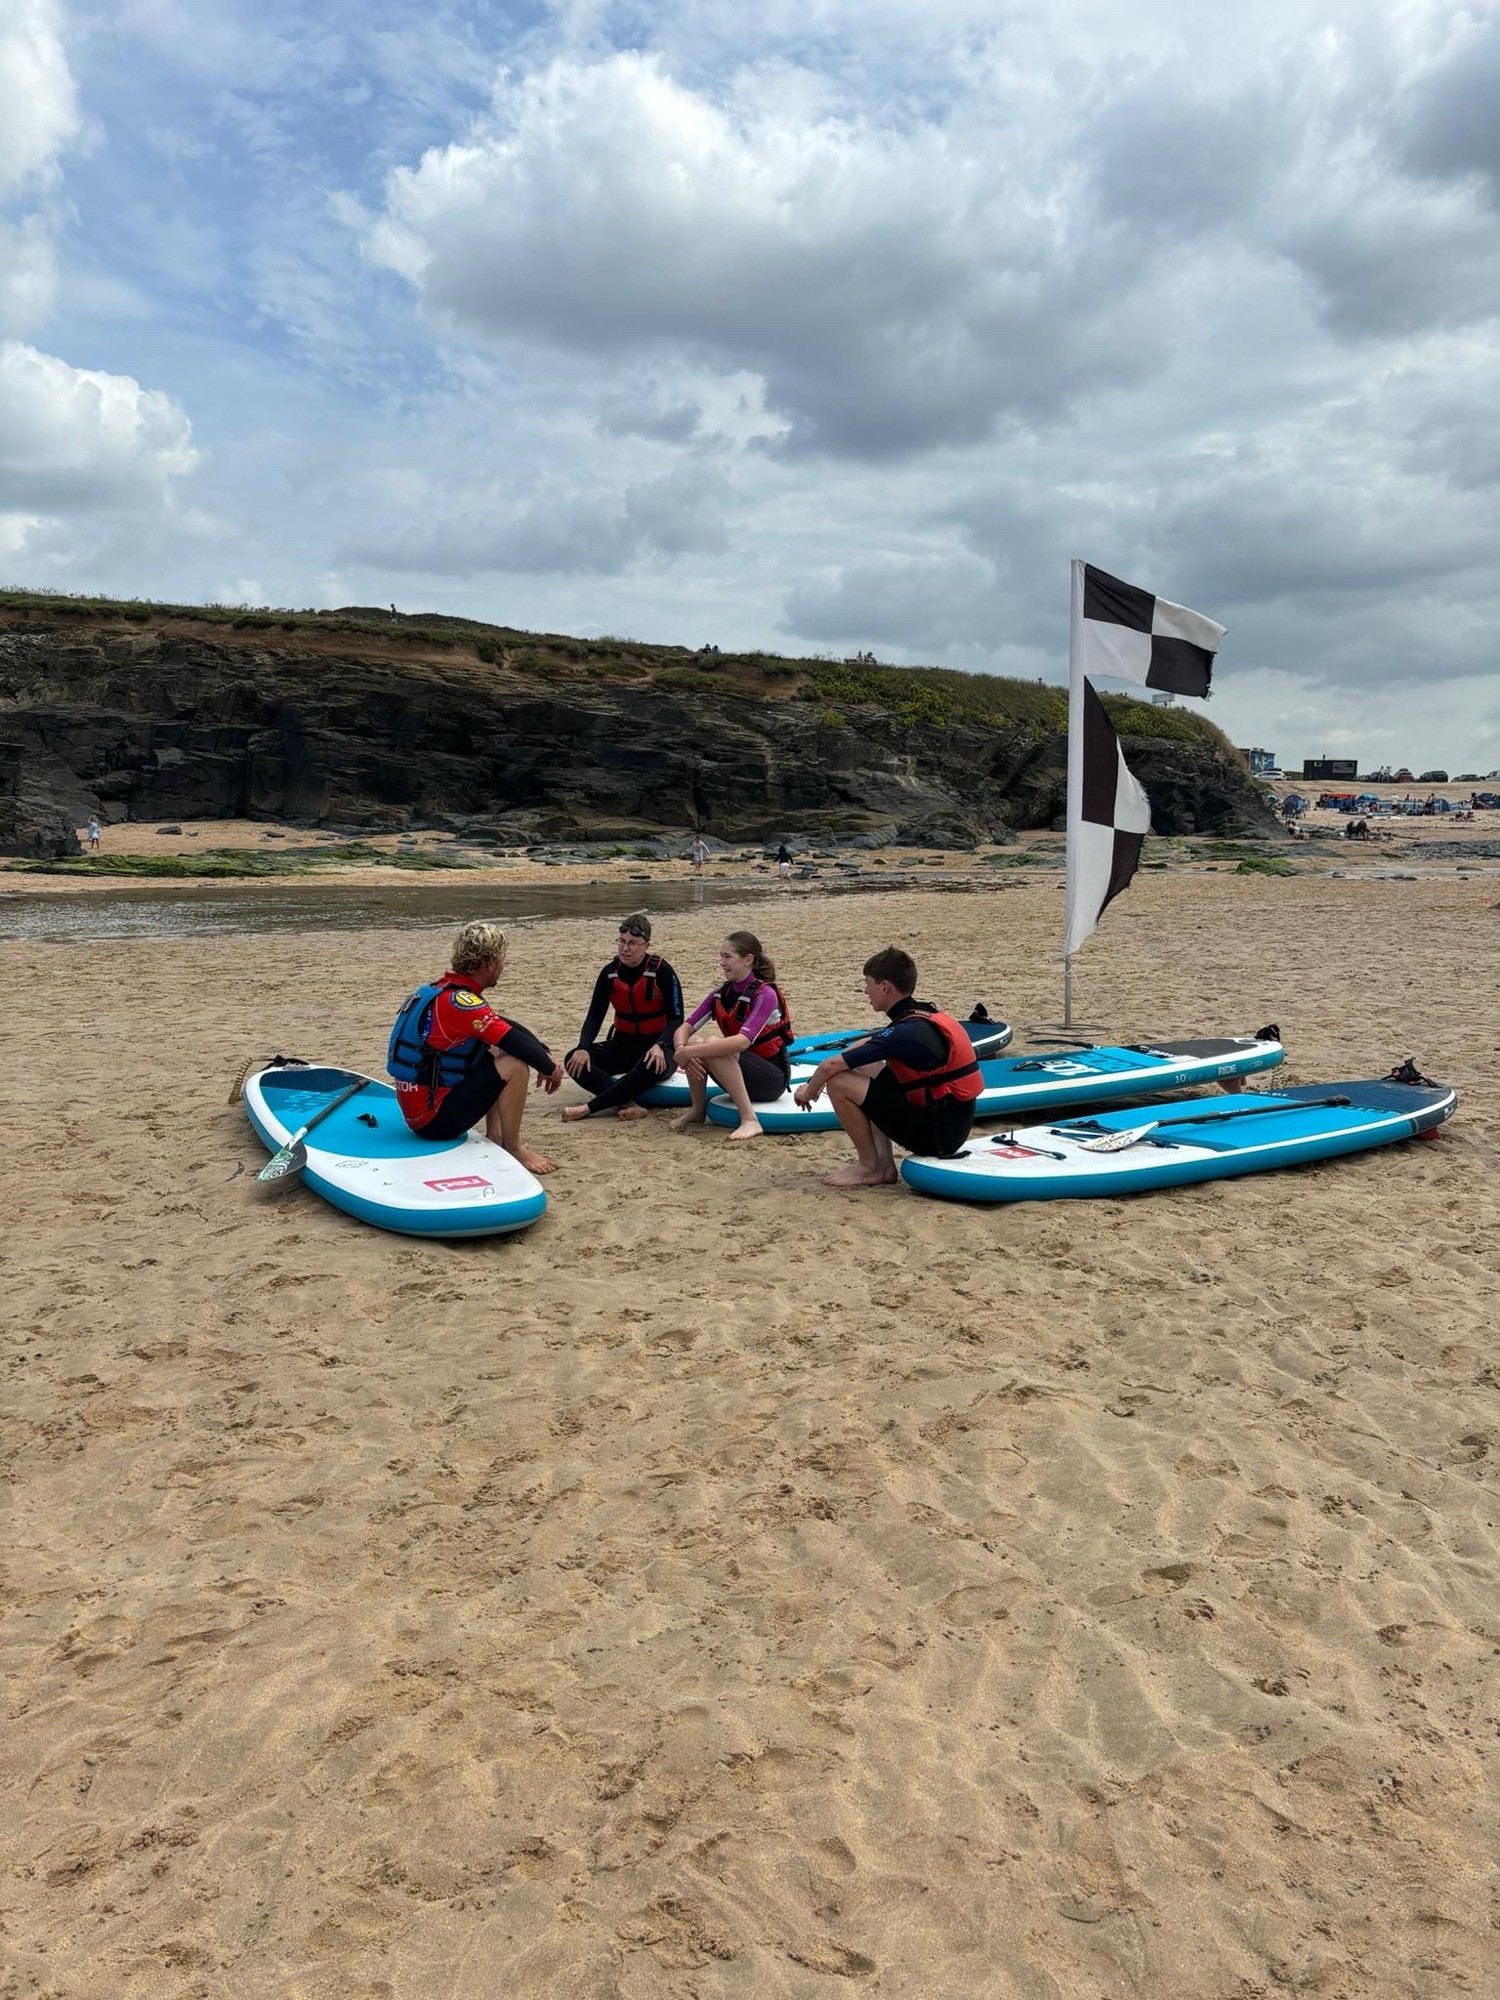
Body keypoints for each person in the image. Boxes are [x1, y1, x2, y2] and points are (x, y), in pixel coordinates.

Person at [794, 946, 982, 1187]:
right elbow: (865, 1046)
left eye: (868, 983)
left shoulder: (905, 1032)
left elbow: (831, 1065)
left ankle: (869, 1166)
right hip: (948, 1122)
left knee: (839, 1083)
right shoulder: (919, 1014)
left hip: (937, 1136)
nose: (865, 990)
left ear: (885, 987)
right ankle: (885, 1165)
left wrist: (808, 1092)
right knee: (867, 1064)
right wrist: (813, 1083)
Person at [385, 920, 564, 1173]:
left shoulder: (440, 991)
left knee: (491, 1047)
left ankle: (496, 1137)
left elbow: (504, 1026)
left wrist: (543, 1052)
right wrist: (550, 1069)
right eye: (501, 960)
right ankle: (514, 1148)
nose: (503, 966)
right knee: (514, 1064)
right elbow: (513, 1040)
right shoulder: (461, 1002)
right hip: (434, 1122)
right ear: (490, 963)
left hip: (418, 1111)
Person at [561, 913, 685, 1122]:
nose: (625, 948)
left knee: (650, 1064)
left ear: (646, 945)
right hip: (623, 1044)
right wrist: (583, 1046)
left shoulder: (663, 971)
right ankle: (628, 1104)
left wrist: (661, 1044)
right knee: (573, 1059)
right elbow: (594, 1015)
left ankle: (588, 1109)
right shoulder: (609, 973)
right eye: (621, 941)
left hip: (657, 1048)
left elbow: (676, 1019)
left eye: (633, 943)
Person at [671, 931, 792, 1141]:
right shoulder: (721, 993)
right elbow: (685, 1028)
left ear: (748, 960)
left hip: (771, 1080)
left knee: (710, 1045)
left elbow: (742, 1042)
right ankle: (697, 1110)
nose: (721, 962)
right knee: (697, 1041)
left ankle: (750, 1120)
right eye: (721, 956)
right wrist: (682, 1049)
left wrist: (689, 1052)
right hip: (742, 1073)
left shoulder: (765, 994)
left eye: (727, 957)